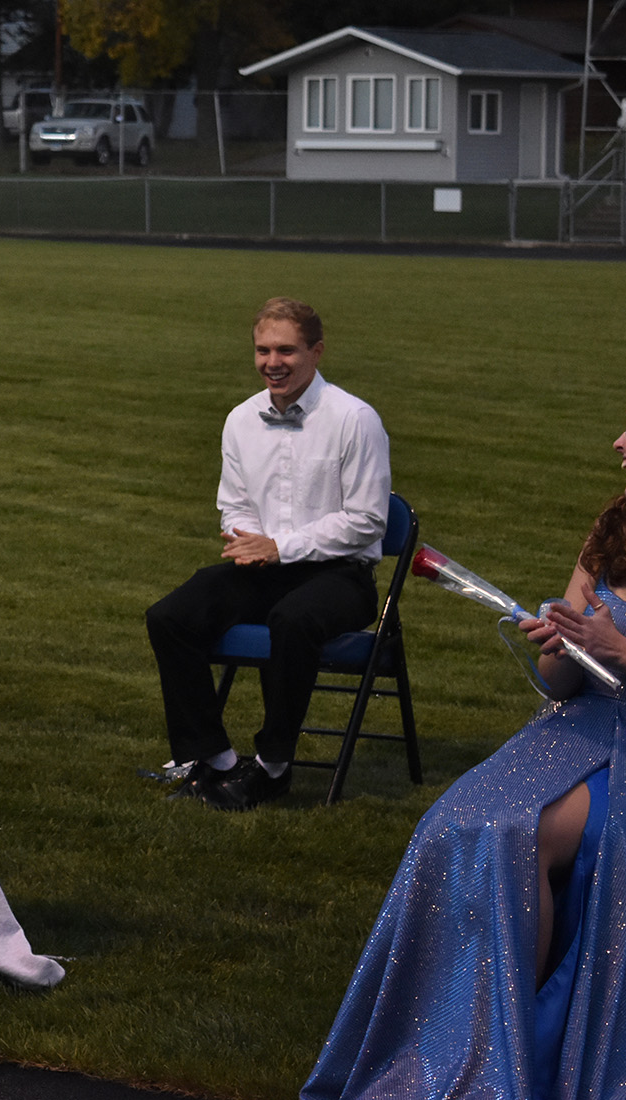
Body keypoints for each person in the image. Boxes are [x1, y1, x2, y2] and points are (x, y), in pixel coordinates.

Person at [303, 378, 626, 1099]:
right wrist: (559, 646)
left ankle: (510, 1058)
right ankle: (461, 1047)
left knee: (519, 832)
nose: (619, 445)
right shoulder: (612, 534)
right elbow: (557, 684)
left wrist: (623, 652)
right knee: (457, 824)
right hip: (576, 731)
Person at [145, 297, 390, 810]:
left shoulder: (354, 419)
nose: (271, 362)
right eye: (262, 350)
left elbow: (367, 520)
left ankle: (274, 765)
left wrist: (281, 547)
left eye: (286, 350)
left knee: (293, 619)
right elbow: (233, 503)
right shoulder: (240, 419)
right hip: (264, 567)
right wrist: (252, 542)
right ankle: (215, 760)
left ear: (316, 352)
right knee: (171, 615)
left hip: (340, 576)